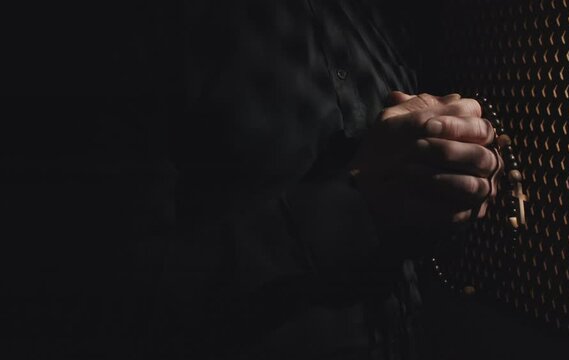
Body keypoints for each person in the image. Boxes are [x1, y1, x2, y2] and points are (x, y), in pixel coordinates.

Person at [1, 1, 501, 359]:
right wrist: (354, 207)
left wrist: (443, 171)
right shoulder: (116, 22)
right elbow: (76, 297)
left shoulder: (374, 20)